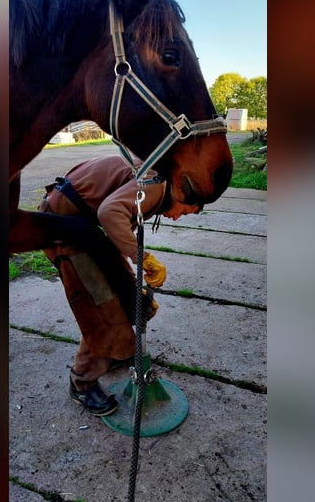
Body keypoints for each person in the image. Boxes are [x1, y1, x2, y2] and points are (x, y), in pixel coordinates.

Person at [38, 155, 202, 416]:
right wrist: (143, 257)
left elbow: (114, 218)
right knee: (103, 307)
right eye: (184, 211)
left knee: (127, 291)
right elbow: (109, 212)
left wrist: (134, 282)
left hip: (82, 226)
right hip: (63, 227)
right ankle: (82, 382)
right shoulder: (156, 185)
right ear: (182, 192)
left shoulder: (158, 177)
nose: (177, 218)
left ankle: (113, 352)